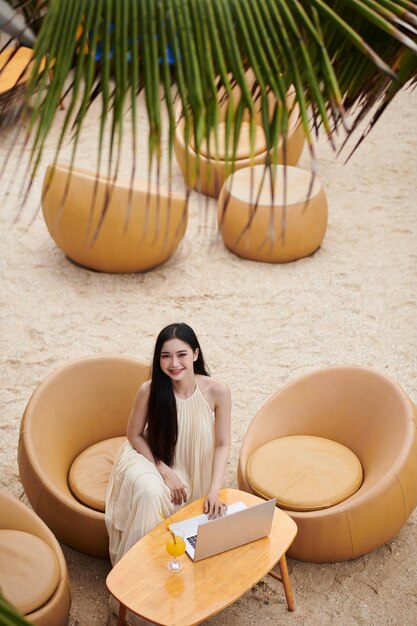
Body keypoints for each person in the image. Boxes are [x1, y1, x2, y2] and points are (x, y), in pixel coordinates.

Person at [105, 322, 231, 566]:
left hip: (194, 470)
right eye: (166, 356)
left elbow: (223, 444)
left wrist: (214, 489)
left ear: (195, 354)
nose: (174, 363)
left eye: (181, 354)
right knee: (149, 493)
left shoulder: (218, 391)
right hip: (149, 458)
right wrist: (164, 470)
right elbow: (134, 435)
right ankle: (135, 581)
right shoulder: (149, 390)